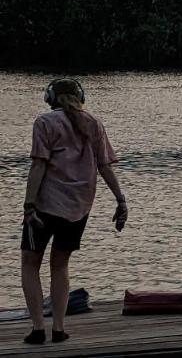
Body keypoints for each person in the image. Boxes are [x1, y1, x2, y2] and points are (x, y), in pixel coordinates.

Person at [20, 79, 127, 345]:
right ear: (81, 96)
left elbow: (38, 166)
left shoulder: (44, 123)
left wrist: (28, 205)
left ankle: (37, 329)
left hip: (45, 205)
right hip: (79, 207)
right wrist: (120, 200)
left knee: (30, 264)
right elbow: (105, 166)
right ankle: (58, 328)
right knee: (61, 265)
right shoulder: (94, 123)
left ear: (49, 98)